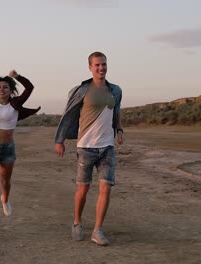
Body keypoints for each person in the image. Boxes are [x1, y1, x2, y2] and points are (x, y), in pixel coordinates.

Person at [54, 51, 125, 246]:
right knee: (83, 189)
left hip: (107, 147)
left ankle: (97, 230)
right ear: (90, 68)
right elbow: (67, 115)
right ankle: (77, 222)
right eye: (97, 65)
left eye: (104, 64)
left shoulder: (116, 90)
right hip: (86, 147)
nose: (101, 68)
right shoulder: (81, 90)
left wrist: (119, 129)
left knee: (106, 187)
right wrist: (60, 140)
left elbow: (116, 111)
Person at [0, 49, 40, 238]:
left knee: (5, 182)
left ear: (10, 90)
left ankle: (6, 198)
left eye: (5, 87)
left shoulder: (15, 104)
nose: (1, 90)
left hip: (8, 149)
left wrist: (17, 76)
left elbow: (30, 88)